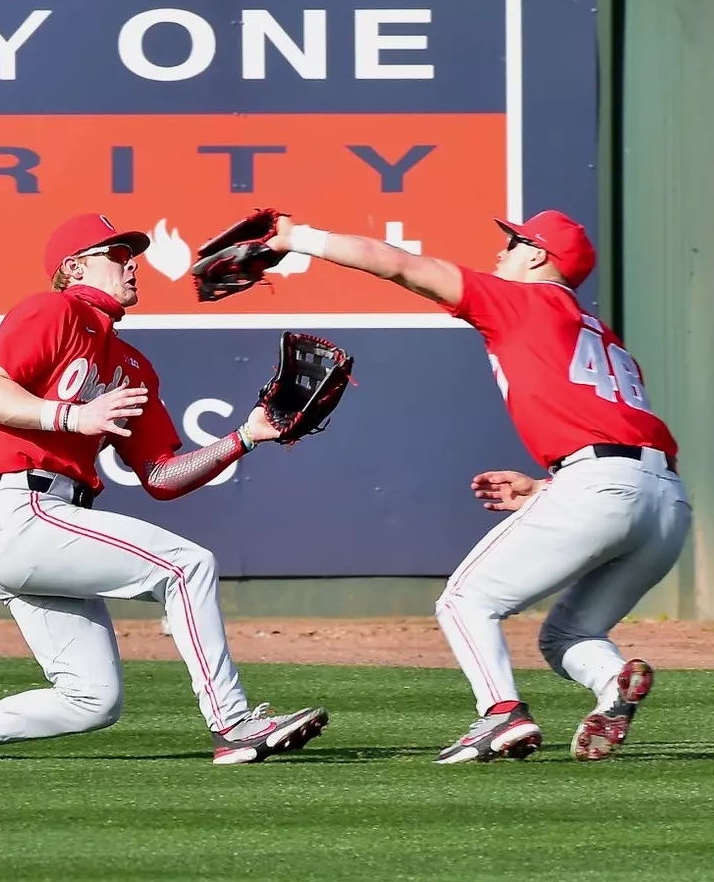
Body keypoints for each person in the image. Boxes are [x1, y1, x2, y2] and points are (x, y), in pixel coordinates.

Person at [0, 213, 329, 765]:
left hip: (51, 532)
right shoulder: (53, 311)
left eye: (133, 255)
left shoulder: (132, 366)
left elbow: (161, 476)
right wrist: (74, 417)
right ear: (74, 268)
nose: (132, 265)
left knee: (92, 701)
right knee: (186, 566)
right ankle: (235, 725)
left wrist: (245, 436)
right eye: (116, 255)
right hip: (25, 510)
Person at [264, 209, 691, 763]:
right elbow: (616, 434)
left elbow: (397, 264)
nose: (501, 251)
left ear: (537, 255)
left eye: (513, 242)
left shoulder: (521, 300)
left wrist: (297, 238)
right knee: (568, 634)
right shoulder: (601, 334)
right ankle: (613, 684)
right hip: (666, 502)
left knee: (467, 600)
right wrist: (547, 488)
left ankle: (501, 714)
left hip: (600, 485)